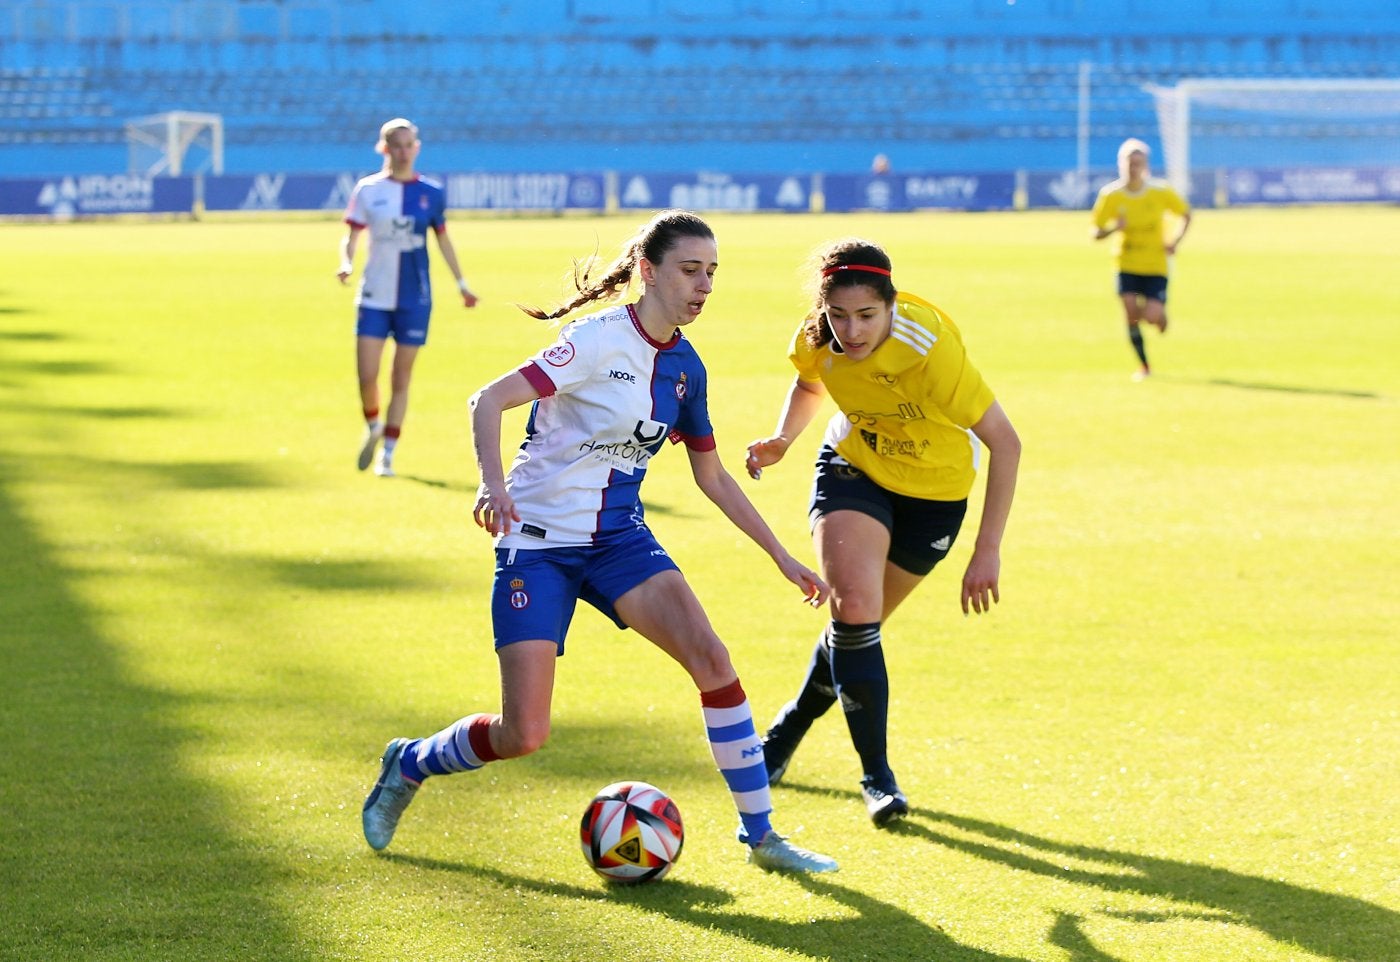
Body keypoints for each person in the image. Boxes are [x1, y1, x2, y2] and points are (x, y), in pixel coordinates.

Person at [361, 210, 840, 874]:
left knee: (713, 660)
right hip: (536, 544)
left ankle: (762, 837)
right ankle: (409, 762)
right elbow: (487, 400)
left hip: (618, 540)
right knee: (523, 733)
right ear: (648, 270)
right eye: (689, 270)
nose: (703, 286)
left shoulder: (686, 371)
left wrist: (782, 556)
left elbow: (712, 475)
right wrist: (491, 486)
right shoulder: (593, 342)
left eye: (712, 274)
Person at [743, 238, 1021, 828]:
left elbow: (1006, 441)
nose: (852, 330)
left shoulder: (929, 349)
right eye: (839, 315)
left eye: (867, 314)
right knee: (856, 610)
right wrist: (783, 438)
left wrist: (987, 550)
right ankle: (878, 778)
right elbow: (812, 383)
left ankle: (788, 728)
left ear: (891, 304)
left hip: (936, 496)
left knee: (855, 630)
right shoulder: (819, 338)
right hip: (854, 470)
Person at [338, 118, 478, 478]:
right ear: (384, 149)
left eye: (408, 144)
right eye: (395, 145)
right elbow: (351, 235)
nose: (402, 151)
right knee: (367, 376)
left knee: (401, 377)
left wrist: (461, 283)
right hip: (373, 294)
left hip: (414, 297)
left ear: (416, 147)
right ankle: (373, 425)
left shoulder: (431, 192)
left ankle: (388, 452)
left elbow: (443, 239)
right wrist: (346, 263)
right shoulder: (368, 189)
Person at [1090, 137, 1192, 380]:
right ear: (1120, 164)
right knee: (1130, 313)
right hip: (1126, 262)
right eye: (1129, 162)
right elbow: (1096, 232)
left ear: (1145, 165)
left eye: (1138, 162)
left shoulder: (1160, 192)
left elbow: (1186, 214)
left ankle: (1160, 313)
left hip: (1155, 264)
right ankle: (1144, 366)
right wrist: (1115, 228)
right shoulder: (1111, 195)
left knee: (1150, 317)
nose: (1133, 167)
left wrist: (1175, 241)